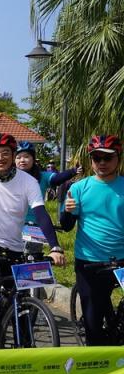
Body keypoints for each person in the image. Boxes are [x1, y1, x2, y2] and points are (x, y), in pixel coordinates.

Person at [0, 133, 65, 326]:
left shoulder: (28, 181)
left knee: (17, 295)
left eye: (5, 153)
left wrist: (55, 247)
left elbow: (41, 214)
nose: (0, 158)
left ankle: (23, 340)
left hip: (13, 244)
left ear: (14, 155)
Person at [61, 135, 124, 346]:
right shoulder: (79, 188)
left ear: (118, 159)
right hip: (89, 261)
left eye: (108, 158)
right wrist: (68, 212)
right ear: (91, 160)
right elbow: (67, 225)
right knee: (93, 324)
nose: (102, 163)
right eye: (97, 158)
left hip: (121, 260)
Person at [14, 141, 78, 226]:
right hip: (13, 224)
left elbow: (57, 179)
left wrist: (73, 171)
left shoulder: (42, 176)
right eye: (18, 157)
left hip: (35, 225)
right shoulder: (8, 177)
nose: (22, 160)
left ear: (33, 159)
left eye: (26, 156)